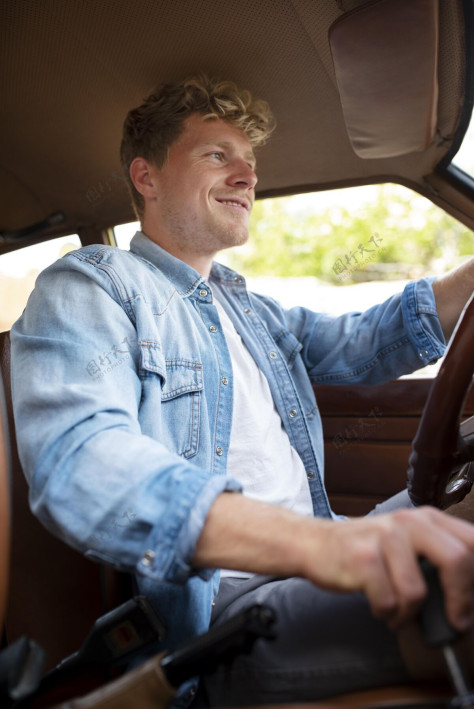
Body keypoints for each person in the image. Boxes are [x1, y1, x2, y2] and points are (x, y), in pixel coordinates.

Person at [10, 75, 474, 706]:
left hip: (318, 550)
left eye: (250, 163)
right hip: (228, 611)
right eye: (217, 155)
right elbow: (79, 463)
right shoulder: (93, 285)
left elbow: (364, 340)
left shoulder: (247, 307)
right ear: (146, 177)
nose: (247, 177)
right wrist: (326, 546)